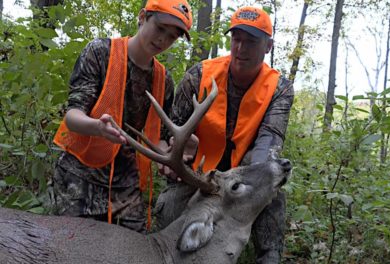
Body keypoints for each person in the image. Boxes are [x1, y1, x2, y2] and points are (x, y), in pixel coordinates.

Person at [155, 6, 294, 263]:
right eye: (236, 39)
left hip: (245, 174)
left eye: (251, 41)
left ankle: (268, 256)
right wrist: (181, 149)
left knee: (272, 188)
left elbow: (270, 139)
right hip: (200, 176)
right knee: (171, 213)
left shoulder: (279, 89)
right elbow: (173, 129)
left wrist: (255, 177)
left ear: (268, 46)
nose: (240, 49)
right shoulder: (199, 75)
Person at [51, 0, 193, 234]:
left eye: (172, 37)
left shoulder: (164, 80)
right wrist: (97, 127)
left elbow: (157, 138)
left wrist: (170, 156)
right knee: (76, 247)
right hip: (81, 176)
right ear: (142, 17)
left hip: (127, 183)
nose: (163, 40)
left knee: (134, 250)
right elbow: (73, 117)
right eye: (160, 29)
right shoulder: (100, 52)